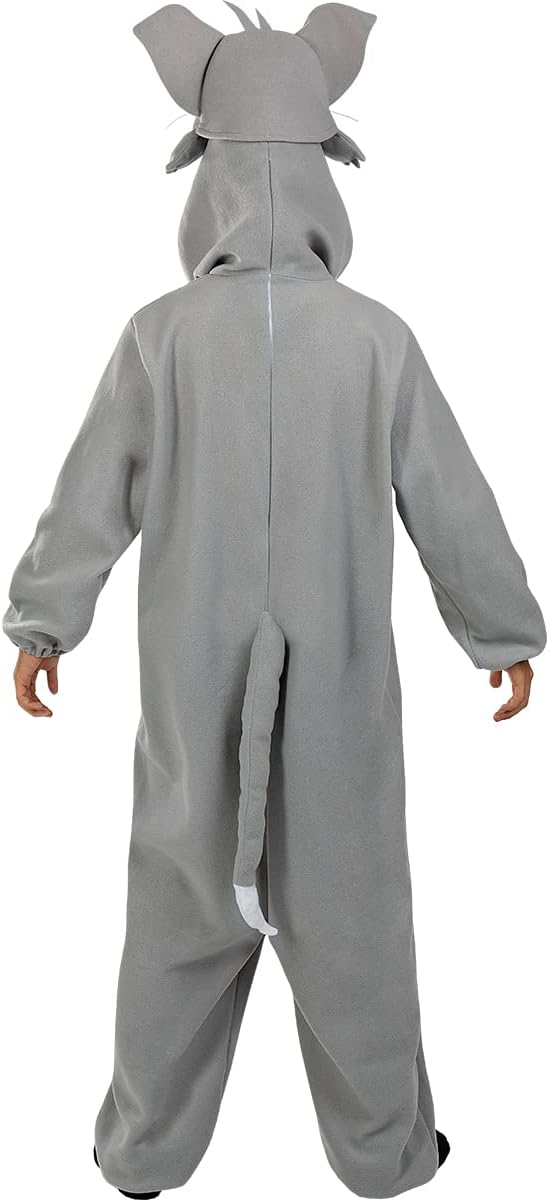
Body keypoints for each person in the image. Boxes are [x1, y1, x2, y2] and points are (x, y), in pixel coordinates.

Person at [4, 5, 545, 1198]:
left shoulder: (158, 338)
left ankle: (142, 1153)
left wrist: (44, 620)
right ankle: (384, 1153)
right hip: (341, 691)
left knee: (175, 910)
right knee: (355, 920)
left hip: (189, 689)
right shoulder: (374, 341)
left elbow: (91, 494)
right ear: (322, 172)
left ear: (200, 174)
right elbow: (449, 500)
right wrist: (502, 631)